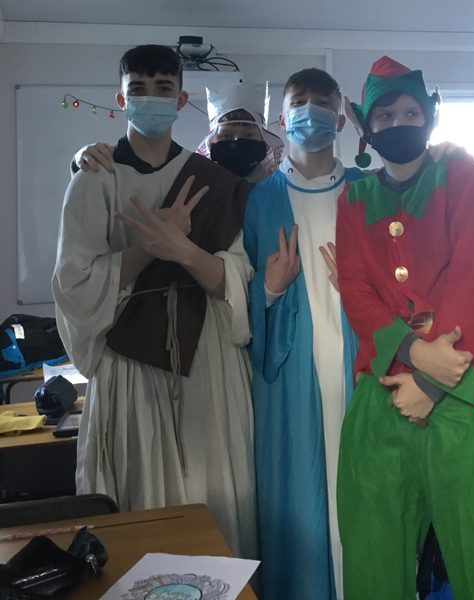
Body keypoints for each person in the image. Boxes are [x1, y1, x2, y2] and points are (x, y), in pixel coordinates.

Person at [242, 67, 460, 600]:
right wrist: (268, 289)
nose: (310, 113)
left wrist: (367, 288)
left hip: (369, 371)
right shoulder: (259, 201)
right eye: (299, 102)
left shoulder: (371, 191)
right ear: (281, 118)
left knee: (378, 500)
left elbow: (415, 287)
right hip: (293, 382)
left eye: (323, 103)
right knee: (303, 504)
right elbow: (239, 303)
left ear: (341, 120)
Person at [335, 56, 474, 600]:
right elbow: (355, 289)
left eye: (410, 112)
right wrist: (414, 353)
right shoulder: (353, 199)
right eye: (385, 116)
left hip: (471, 392)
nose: (398, 123)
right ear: (366, 126)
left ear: (429, 117)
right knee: (375, 552)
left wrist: (431, 380)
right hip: (383, 394)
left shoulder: (460, 175)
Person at [52, 44, 257, 560]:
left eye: (163, 88)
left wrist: (183, 250)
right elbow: (74, 285)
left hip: (207, 357)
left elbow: (237, 279)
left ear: (181, 99)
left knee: (214, 489)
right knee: (142, 497)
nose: (151, 98)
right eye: (138, 89)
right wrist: (147, 248)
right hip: (129, 362)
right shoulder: (94, 179)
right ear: (121, 99)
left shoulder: (212, 180)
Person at [73, 79, 283, 183]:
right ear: (212, 141)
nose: (237, 142)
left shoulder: (280, 185)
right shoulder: (194, 178)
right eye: (226, 135)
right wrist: (80, 158)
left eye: (249, 135)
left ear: (264, 141)